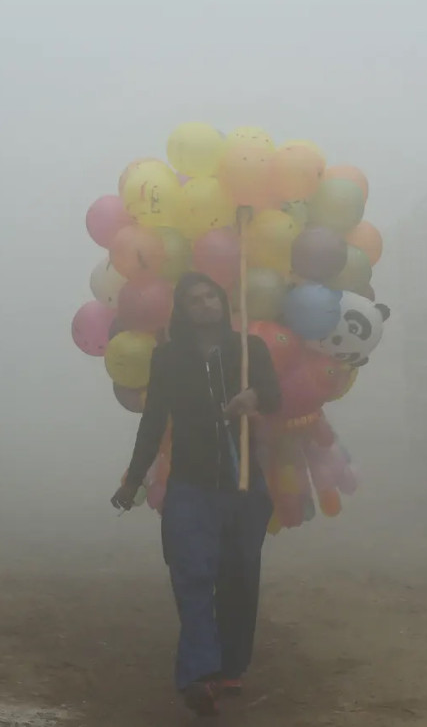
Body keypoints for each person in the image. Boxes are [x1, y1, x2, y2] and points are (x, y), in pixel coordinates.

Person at [112, 271, 281, 717]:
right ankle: (198, 674)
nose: (205, 304)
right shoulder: (167, 358)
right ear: (183, 310)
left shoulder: (249, 350)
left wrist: (254, 395)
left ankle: (230, 665)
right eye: (194, 299)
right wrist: (133, 479)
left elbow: (276, 397)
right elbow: (153, 421)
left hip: (244, 485)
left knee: (239, 577)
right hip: (191, 484)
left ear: (223, 304)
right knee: (191, 573)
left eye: (211, 297)